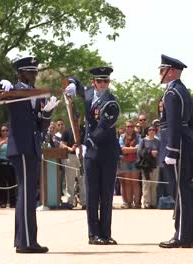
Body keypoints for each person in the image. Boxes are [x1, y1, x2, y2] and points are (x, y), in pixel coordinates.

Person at [0, 56, 59, 253]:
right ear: (20, 73)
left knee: (29, 194)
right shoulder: (13, 90)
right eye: (30, 72)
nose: (34, 75)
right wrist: (0, 86)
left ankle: (26, 240)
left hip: (32, 147)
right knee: (26, 194)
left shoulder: (37, 94)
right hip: (21, 148)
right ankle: (26, 242)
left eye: (35, 71)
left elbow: (40, 125)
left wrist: (48, 113)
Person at [65, 66, 120, 245]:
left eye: (106, 81)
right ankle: (93, 234)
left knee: (106, 194)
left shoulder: (112, 101)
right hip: (91, 153)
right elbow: (74, 77)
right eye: (100, 81)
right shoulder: (88, 94)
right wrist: (72, 83)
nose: (103, 84)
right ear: (93, 82)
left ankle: (105, 233)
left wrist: (87, 142)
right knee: (92, 193)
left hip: (107, 150)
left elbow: (104, 126)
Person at [157, 54, 193, 248]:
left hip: (177, 146)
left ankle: (182, 235)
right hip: (184, 143)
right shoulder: (181, 91)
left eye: (161, 70)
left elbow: (173, 124)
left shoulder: (173, 93)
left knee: (180, 192)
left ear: (170, 71)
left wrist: (172, 151)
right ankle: (184, 234)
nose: (159, 73)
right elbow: (192, 124)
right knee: (184, 192)